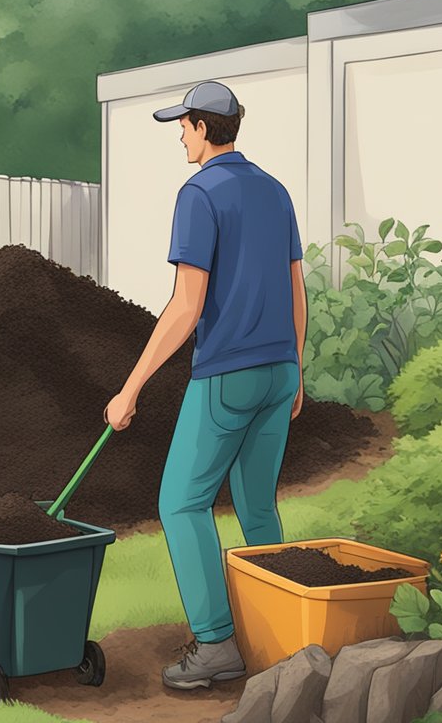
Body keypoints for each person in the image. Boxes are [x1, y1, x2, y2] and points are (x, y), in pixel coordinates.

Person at [102, 80, 307, 690]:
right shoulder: (275, 191)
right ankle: (280, 628)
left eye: (183, 127)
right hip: (277, 371)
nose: (180, 139)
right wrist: (296, 368)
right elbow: (297, 287)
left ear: (201, 126)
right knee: (256, 503)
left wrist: (130, 388)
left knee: (182, 503)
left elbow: (186, 307)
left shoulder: (200, 193)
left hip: (229, 374)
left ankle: (217, 643)